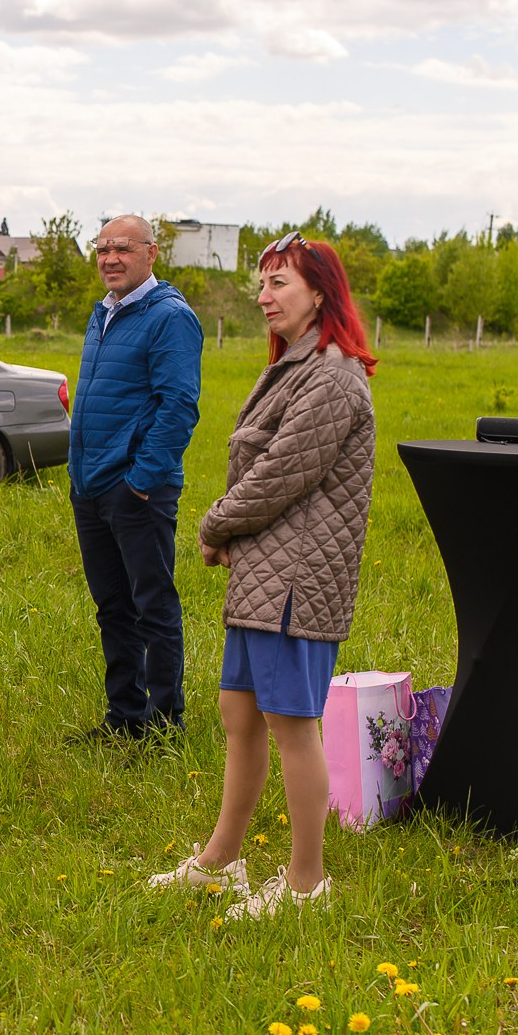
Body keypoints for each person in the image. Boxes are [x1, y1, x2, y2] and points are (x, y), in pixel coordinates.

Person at [151, 234, 376, 918]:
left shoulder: (335, 377)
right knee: (239, 715)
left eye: (279, 282)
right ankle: (221, 861)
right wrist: (235, 538)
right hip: (264, 571)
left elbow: (280, 472)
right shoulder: (294, 364)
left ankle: (307, 882)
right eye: (263, 283)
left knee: (292, 724)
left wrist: (216, 525)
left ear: (320, 293)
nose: (264, 296)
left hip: (296, 582)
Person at [65, 215, 205, 739]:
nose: (109, 259)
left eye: (121, 248)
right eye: (101, 249)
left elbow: (179, 408)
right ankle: (124, 718)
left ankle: (167, 724)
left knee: (153, 606)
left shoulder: (169, 317)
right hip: (92, 486)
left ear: (152, 253)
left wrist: (140, 481)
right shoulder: (103, 313)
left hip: (137, 491)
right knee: (113, 608)